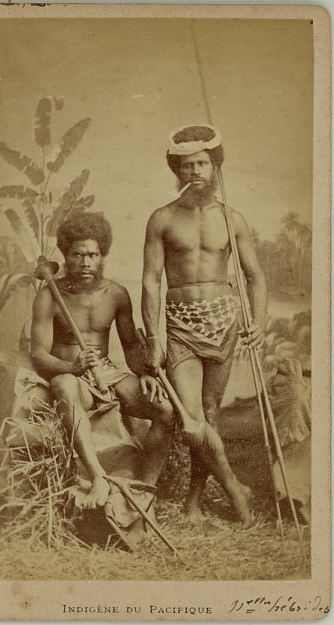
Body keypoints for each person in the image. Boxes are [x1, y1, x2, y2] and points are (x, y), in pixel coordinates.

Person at [141, 124, 267, 528]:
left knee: (209, 414)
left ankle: (193, 501)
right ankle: (234, 491)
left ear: (215, 168)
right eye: (187, 165)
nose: (195, 172)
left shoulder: (232, 219)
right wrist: (154, 337)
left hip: (224, 322)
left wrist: (259, 320)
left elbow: (255, 276)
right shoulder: (161, 219)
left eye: (202, 164)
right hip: (179, 327)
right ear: (176, 170)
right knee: (192, 418)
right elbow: (150, 281)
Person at [31, 212, 173, 511]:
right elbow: (39, 355)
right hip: (68, 373)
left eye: (92, 255)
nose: (85, 263)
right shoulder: (49, 296)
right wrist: (71, 367)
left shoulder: (117, 294)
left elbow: (131, 346)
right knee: (66, 385)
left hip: (106, 372)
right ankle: (98, 477)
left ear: (102, 255)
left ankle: (144, 490)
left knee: (165, 409)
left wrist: (145, 373)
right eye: (77, 255)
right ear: (66, 256)